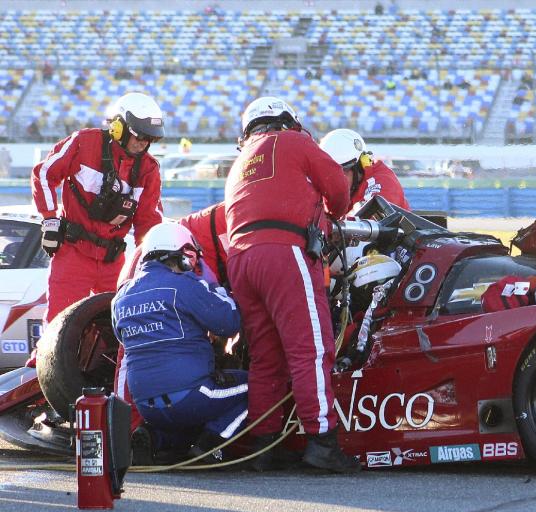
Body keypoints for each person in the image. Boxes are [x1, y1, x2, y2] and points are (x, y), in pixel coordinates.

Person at [224, 96, 358, 473]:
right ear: (286, 121)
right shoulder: (294, 140)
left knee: (266, 357)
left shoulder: (240, 162)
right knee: (310, 348)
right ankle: (322, 442)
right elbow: (337, 187)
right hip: (284, 252)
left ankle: (263, 445)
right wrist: (334, 214)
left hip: (242, 260)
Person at [112, 222, 247, 463]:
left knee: (178, 414)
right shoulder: (185, 285)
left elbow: (122, 338)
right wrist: (217, 289)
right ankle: (211, 445)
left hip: (146, 405)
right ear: (181, 254)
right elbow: (229, 322)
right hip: (191, 396)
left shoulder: (121, 297)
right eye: (192, 258)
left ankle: (153, 437)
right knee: (262, 388)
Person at [32, 91, 164, 325]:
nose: (144, 142)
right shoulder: (84, 142)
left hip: (114, 260)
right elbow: (44, 174)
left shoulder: (149, 169)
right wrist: (50, 221)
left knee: (118, 327)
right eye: (139, 135)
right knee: (59, 325)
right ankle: (39, 363)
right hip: (73, 253)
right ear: (118, 127)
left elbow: (148, 221)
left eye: (150, 138)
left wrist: (155, 256)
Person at [318, 128, 410, 214]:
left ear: (359, 167)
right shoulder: (338, 188)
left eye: (341, 173)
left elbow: (367, 223)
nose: (334, 181)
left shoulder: (384, 183)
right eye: (328, 174)